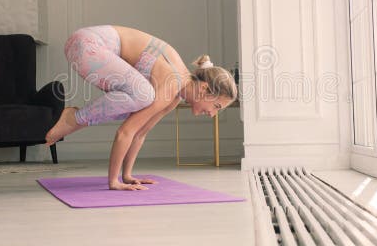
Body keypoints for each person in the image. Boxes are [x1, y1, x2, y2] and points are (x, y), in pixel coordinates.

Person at [45, 25, 237, 191]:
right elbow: (125, 132)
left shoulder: (174, 96)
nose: (212, 114)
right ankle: (74, 118)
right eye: (217, 106)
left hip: (85, 49)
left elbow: (140, 133)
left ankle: (76, 119)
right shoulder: (171, 85)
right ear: (204, 89)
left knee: (138, 102)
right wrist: (113, 181)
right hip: (87, 45)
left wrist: (126, 176)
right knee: (143, 95)